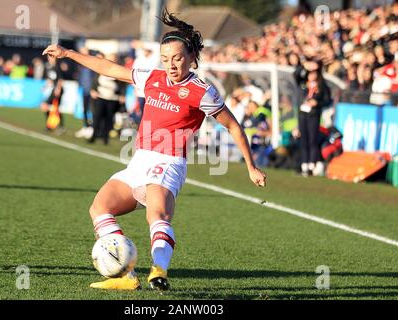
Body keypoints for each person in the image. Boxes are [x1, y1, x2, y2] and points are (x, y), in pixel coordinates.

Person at [42, 8, 266, 291]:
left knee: (156, 216)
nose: (171, 65)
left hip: (169, 162)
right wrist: (68, 54)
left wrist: (251, 166)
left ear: (191, 58)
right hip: (139, 162)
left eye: (177, 58)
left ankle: (159, 271)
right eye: (165, 59)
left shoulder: (201, 91)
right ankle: (126, 275)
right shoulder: (153, 78)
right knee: (99, 208)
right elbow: (110, 69)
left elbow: (233, 126)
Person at [295, 60, 331, 176]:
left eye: (314, 73)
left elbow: (327, 100)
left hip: (314, 115)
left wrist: (317, 103)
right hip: (302, 114)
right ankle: (304, 165)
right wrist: (303, 66)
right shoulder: (303, 84)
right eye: (310, 73)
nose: (312, 75)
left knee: (312, 140)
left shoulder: (321, 86)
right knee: (304, 140)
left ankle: (311, 164)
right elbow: (296, 74)